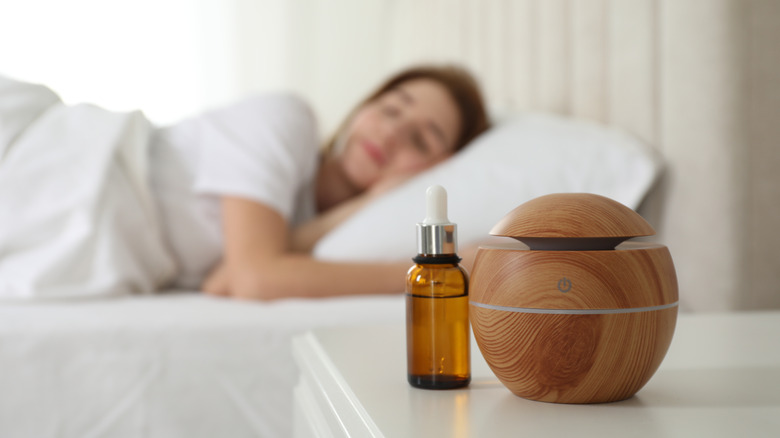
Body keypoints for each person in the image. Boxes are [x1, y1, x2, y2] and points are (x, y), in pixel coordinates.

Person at [152, 65, 490, 300]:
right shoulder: (286, 119)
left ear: (437, 170)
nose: (391, 133)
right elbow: (253, 279)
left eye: (419, 140)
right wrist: (436, 273)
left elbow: (222, 279)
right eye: (390, 109)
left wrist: (363, 205)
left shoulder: (310, 225)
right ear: (363, 107)